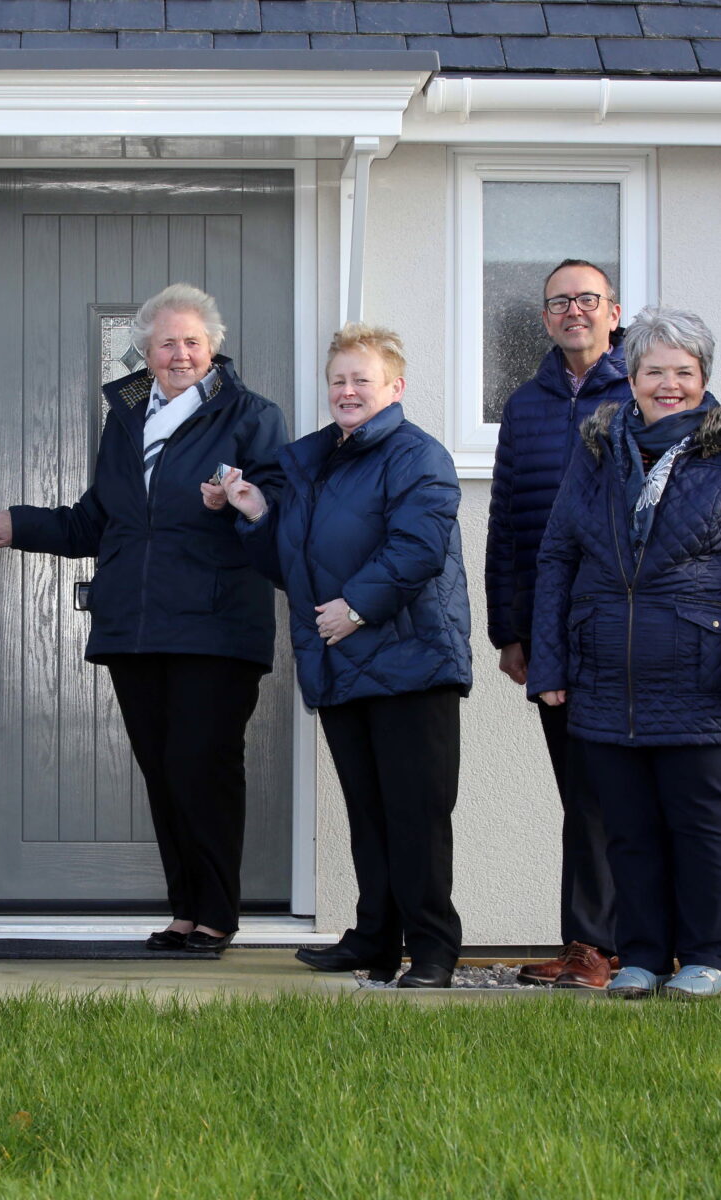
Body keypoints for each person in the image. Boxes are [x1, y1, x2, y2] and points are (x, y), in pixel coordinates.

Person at [0, 284, 288, 954]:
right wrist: (18, 526)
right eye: (167, 343)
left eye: (193, 342)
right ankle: (186, 910)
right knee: (164, 768)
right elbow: (102, 518)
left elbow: (278, 511)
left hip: (215, 625)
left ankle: (216, 914)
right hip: (135, 625)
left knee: (201, 765)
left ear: (213, 348)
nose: (181, 354)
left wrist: (239, 502)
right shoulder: (128, 417)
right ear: (145, 352)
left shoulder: (251, 416)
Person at [529, 307, 721, 999]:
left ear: (703, 377)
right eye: (654, 371)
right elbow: (557, 552)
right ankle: (642, 957)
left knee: (701, 820)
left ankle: (709, 958)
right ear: (633, 377)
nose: (668, 385)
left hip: (704, 676)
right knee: (628, 827)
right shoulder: (597, 450)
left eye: (684, 371)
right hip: (606, 675)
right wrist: (551, 663)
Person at [211, 323, 471, 988]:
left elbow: (417, 548)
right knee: (369, 812)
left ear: (395, 387)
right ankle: (376, 940)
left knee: (417, 814)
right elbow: (291, 563)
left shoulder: (420, 457)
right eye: (339, 381)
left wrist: (355, 607)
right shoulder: (315, 464)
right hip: (341, 662)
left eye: (362, 379)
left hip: (411, 660)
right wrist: (254, 513)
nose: (347, 390)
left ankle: (435, 950)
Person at [485, 259, 629, 990]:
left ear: (614, 309)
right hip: (553, 632)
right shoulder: (527, 405)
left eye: (587, 299)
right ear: (545, 319)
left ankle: (635, 941)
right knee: (581, 790)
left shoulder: (643, 389)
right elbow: (506, 520)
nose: (574, 311)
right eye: (559, 302)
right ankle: (590, 945)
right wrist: (510, 631)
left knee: (627, 788)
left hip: (629, 625)